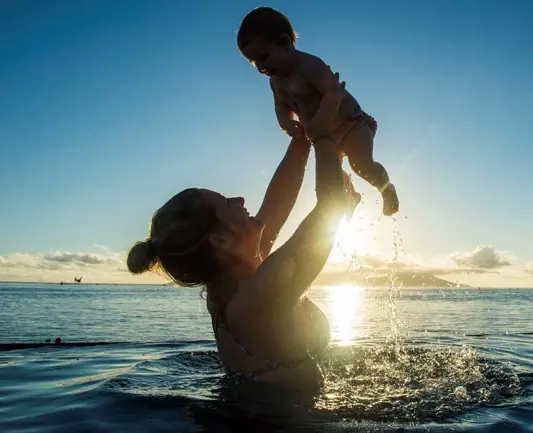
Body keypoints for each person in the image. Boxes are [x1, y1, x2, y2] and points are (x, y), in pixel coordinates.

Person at [126, 85, 357, 390]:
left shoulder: (233, 281)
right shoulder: (257, 297)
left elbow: (278, 201)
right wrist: (325, 132)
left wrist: (303, 138)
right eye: (226, 203)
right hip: (279, 427)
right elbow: (331, 206)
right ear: (220, 240)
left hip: (253, 419)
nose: (240, 199)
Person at [236, 6, 400, 216]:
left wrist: (320, 121)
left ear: (285, 43)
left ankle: (386, 189)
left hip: (352, 124)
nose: (262, 68)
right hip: (325, 135)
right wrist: (287, 124)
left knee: (361, 165)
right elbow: (281, 106)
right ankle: (351, 196)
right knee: (331, 173)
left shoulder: (310, 66)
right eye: (255, 63)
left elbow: (333, 93)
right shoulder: (276, 82)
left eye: (264, 57)